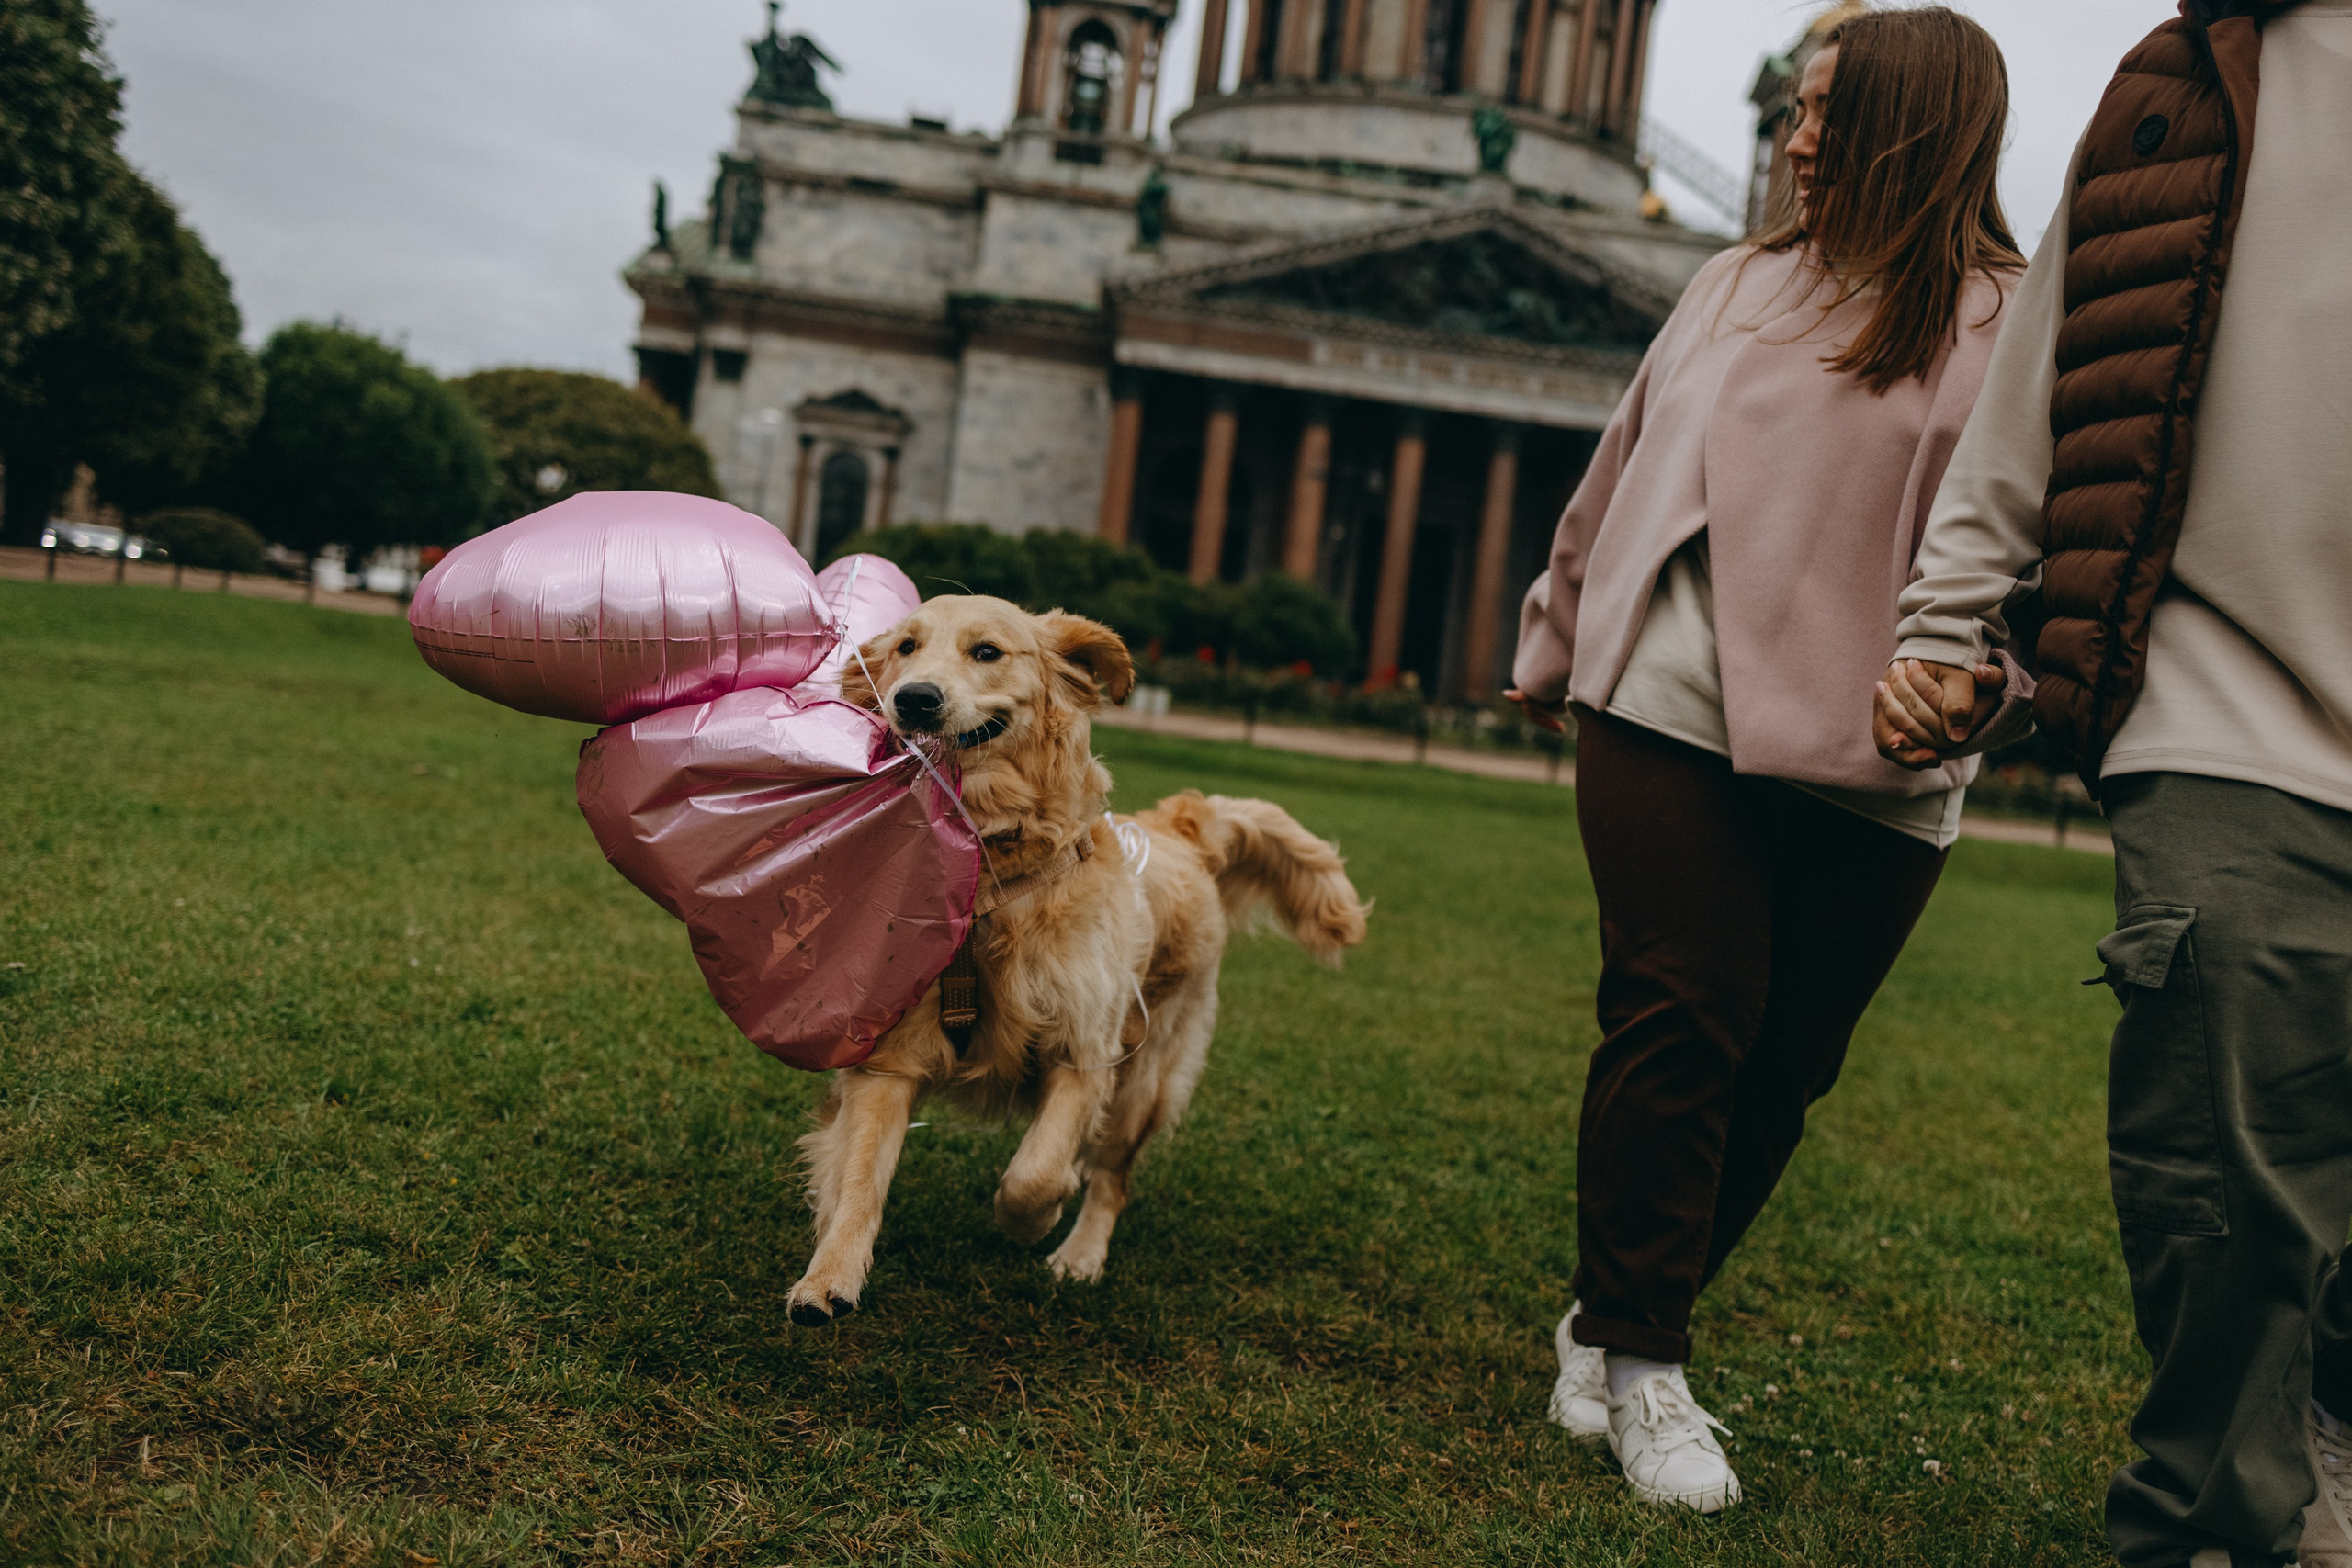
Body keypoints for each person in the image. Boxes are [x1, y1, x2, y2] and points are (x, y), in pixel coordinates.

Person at [1504, 6, 2030, 1514]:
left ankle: (1605, 1316)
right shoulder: (1734, 282)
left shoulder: (2014, 318)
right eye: (1795, 108)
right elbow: (1622, 466)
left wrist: (1987, 691)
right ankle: (1650, 1363)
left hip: (1882, 744)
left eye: (1825, 110)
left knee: (1786, 1069)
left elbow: (2036, 561)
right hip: (1667, 692)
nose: (1795, 137)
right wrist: (1558, 636)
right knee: (1681, 1012)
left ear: (1914, 128)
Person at [1873, 3, 2352, 1563]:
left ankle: (2321, 1433)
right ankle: (2212, 1520)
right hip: (2228, 708)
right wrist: (1947, 629)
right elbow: (2043, 381)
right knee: (2220, 1169)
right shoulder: (2181, 81)